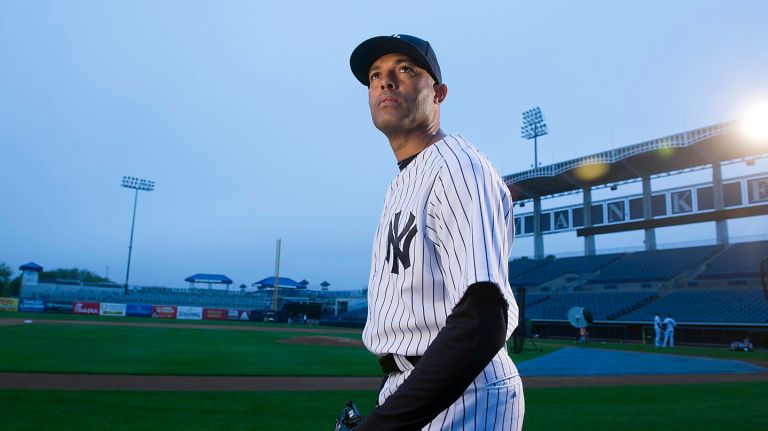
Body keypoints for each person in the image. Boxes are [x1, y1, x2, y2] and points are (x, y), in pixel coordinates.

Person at [349, 34, 524, 430]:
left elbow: (483, 316)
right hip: (421, 384)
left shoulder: (458, 167)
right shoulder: (407, 179)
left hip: (466, 393)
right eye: (375, 75)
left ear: (438, 94)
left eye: (405, 70)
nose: (385, 81)